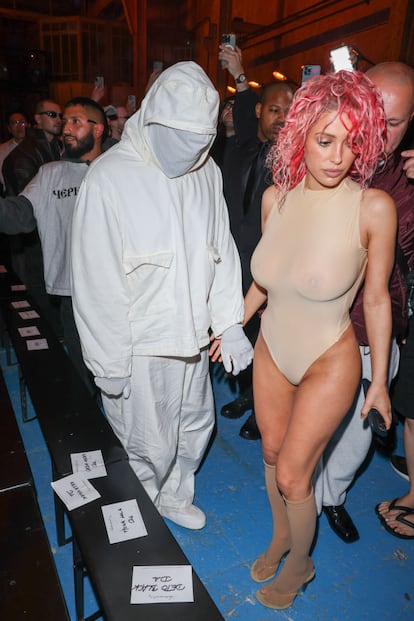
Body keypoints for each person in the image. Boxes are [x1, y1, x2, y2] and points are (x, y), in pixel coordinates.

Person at [70, 61, 253, 530]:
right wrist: (108, 363)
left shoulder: (205, 172)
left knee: (194, 427)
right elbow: (96, 281)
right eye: (179, 138)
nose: (189, 151)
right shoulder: (109, 177)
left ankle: (175, 495)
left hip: (191, 336)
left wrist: (229, 321)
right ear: (151, 119)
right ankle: (143, 509)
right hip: (139, 342)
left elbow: (220, 249)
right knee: (145, 441)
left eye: (199, 139)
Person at [242, 70, 396, 609]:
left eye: (353, 142)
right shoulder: (274, 200)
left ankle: (302, 564)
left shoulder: (371, 207)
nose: (338, 156)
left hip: (329, 358)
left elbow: (375, 299)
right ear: (299, 133)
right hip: (271, 347)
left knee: (294, 472)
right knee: (269, 450)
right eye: (326, 140)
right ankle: (285, 535)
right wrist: (234, 323)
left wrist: (379, 383)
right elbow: (266, 279)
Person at [314, 61, 414, 543]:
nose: (381, 129)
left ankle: (331, 498)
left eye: (395, 121)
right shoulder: (327, 155)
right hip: (323, 326)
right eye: (375, 113)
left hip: (380, 329)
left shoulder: (410, 178)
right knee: (311, 427)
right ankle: (300, 503)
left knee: (358, 434)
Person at [0, 97, 107, 396]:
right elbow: (19, 216)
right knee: (81, 372)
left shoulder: (116, 169)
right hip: (72, 295)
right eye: (65, 121)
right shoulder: (50, 173)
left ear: (98, 129)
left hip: (116, 294)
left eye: (76, 121)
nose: (66, 128)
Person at [218, 43, 294, 440]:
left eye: (289, 110)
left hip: (272, 268)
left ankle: (263, 411)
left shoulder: (297, 160)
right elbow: (244, 115)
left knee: (268, 344)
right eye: (274, 109)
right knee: (239, 331)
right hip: (233, 261)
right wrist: (240, 75)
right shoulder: (242, 146)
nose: (282, 117)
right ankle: (247, 395)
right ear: (260, 112)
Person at [2, 98, 63, 336]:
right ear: (37, 119)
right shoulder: (22, 156)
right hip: (36, 237)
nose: (58, 120)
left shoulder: (55, 147)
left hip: (51, 234)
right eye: (52, 114)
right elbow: (29, 207)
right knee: (39, 286)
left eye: (60, 115)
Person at [0, 111, 28, 196]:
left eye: (22, 122)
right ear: (9, 128)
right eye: (14, 123)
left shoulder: (37, 147)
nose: (19, 126)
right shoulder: (2, 150)